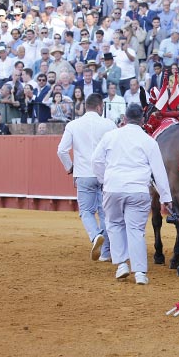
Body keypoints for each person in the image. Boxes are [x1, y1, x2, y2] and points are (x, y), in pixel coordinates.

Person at [92, 103, 173, 284]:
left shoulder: (110, 136)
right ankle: (140, 273)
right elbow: (159, 172)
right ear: (143, 120)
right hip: (138, 189)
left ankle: (121, 264)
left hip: (113, 187)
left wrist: (104, 180)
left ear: (124, 118)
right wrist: (166, 198)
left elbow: (96, 160)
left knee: (114, 225)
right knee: (136, 230)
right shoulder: (149, 141)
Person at [57, 93, 116, 263]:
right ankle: (106, 253)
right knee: (105, 213)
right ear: (99, 107)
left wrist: (71, 168)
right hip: (105, 174)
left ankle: (95, 235)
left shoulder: (73, 125)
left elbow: (61, 150)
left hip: (83, 173)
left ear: (85, 107)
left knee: (86, 212)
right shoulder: (109, 124)